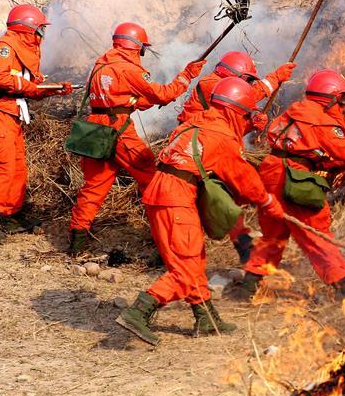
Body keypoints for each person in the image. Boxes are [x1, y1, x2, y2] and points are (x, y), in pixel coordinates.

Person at [115, 76, 286, 346]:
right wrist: (267, 201)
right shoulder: (221, 137)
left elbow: (213, 147)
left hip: (162, 192)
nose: (246, 120)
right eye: (245, 115)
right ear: (234, 111)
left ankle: (206, 318)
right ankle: (139, 311)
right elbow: (244, 178)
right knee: (184, 269)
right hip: (177, 199)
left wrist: (248, 126)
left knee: (192, 261)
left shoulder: (194, 123)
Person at [239, 69, 345, 298]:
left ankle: (249, 285)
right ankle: (344, 288)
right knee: (317, 233)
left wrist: (325, 162)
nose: (344, 103)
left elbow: (299, 146)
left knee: (273, 234)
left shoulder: (295, 111)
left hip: (270, 172)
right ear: (331, 97)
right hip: (294, 179)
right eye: (342, 98)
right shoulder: (322, 121)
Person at [67, 22, 206, 256]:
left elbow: (114, 98)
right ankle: (169, 239)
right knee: (153, 180)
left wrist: (139, 102)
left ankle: (76, 242)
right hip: (119, 130)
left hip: (95, 129)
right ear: (137, 47)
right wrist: (187, 76)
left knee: (94, 186)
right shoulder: (129, 69)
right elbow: (164, 94)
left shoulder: (101, 65)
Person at [176, 50, 295, 262]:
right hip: (197, 151)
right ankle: (181, 252)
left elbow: (227, 126)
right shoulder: (212, 84)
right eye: (247, 79)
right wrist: (274, 79)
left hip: (206, 147)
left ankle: (242, 242)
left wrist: (248, 124)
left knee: (223, 197)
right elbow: (245, 97)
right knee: (194, 202)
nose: (247, 85)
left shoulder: (219, 90)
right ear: (234, 75)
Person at [0, 4, 73, 244]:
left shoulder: (23, 49)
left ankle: (10, 214)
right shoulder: (4, 48)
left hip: (12, 115)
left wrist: (54, 90)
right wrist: (31, 87)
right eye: (39, 29)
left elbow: (28, 87)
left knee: (17, 167)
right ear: (27, 28)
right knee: (2, 167)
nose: (41, 35)